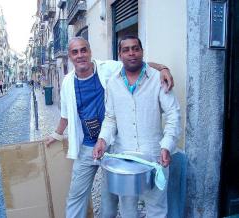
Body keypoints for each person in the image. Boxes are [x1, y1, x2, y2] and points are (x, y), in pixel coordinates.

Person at [45, 37, 174, 218]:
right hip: (87, 146)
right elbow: (66, 115)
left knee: (111, 199)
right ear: (70, 57)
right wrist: (57, 134)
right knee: (76, 194)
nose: (80, 55)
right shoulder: (67, 82)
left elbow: (134, 62)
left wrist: (162, 68)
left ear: (90, 52)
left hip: (113, 148)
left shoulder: (108, 70)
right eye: (75, 52)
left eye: (84, 50)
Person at [93, 35, 181, 218]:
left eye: (135, 48)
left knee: (157, 208)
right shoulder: (113, 83)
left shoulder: (158, 78)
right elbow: (110, 118)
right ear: (120, 55)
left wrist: (167, 146)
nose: (131, 53)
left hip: (155, 157)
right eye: (126, 50)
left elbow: (173, 115)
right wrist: (102, 140)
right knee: (127, 209)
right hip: (124, 157)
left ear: (142, 51)